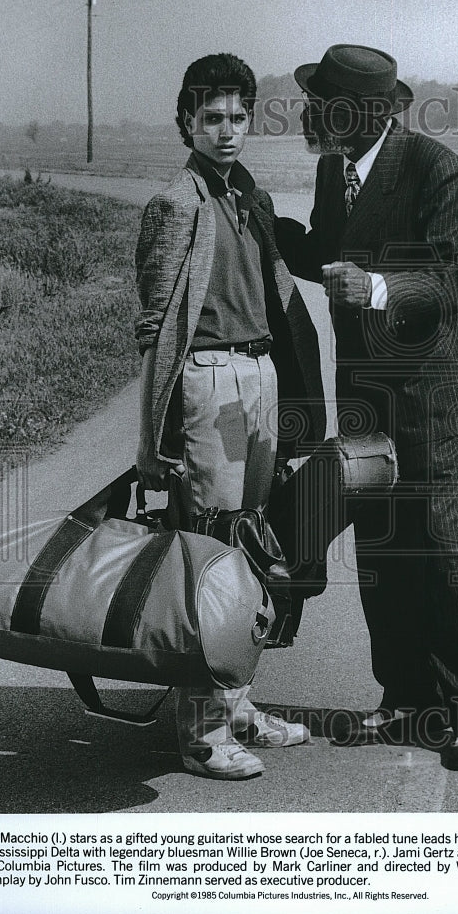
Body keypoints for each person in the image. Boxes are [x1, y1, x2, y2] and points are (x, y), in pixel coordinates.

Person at [275, 44, 458, 770]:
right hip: (365, 392)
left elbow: (455, 278)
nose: (313, 115)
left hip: (428, 393)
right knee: (380, 544)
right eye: (316, 102)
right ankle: (407, 699)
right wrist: (259, 221)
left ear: (369, 110)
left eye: (326, 105)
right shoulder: (332, 166)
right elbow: (324, 248)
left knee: (438, 541)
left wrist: (375, 288)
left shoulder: (435, 168)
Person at [134, 53, 325, 780]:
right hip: (207, 380)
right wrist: (153, 439)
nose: (225, 130)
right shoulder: (176, 202)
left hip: (259, 376)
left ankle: (238, 704)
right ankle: (200, 730)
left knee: (251, 548)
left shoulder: (249, 197)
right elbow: (153, 326)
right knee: (205, 555)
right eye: (210, 118)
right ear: (186, 121)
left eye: (237, 117)